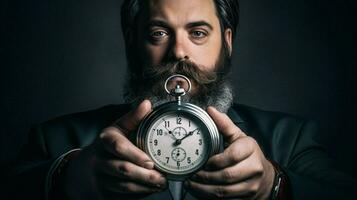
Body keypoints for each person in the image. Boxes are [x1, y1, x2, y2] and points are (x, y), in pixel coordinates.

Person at [7, 0, 355, 199]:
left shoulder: (288, 138)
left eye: (198, 33)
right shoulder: (55, 140)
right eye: (159, 33)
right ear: (131, 41)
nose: (178, 51)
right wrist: (67, 179)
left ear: (228, 41)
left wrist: (274, 184)